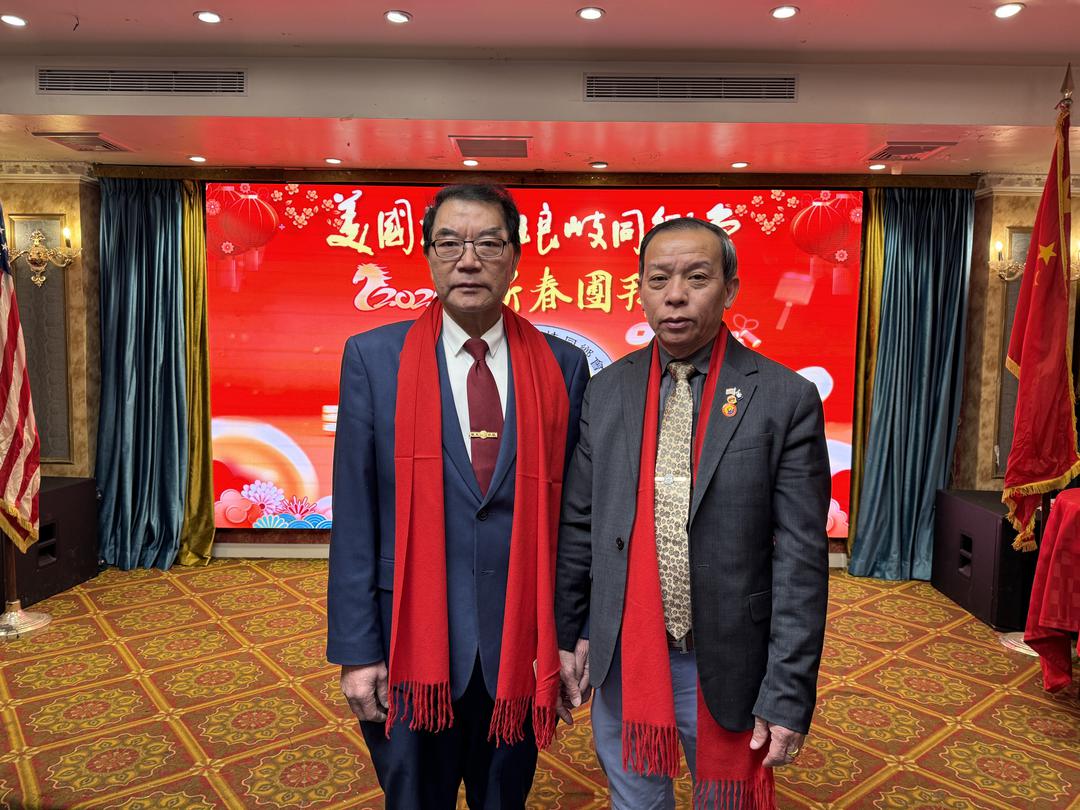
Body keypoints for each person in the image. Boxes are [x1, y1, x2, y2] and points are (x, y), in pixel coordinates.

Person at [327, 183, 590, 809]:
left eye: (488, 244)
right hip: (407, 637)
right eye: (449, 243)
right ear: (428, 255)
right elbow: (356, 515)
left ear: (515, 257)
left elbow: (575, 517)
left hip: (520, 638)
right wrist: (357, 652)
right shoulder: (374, 358)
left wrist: (570, 632)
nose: (468, 260)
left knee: (505, 797)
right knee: (415, 797)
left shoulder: (562, 365)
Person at [555, 217, 830, 809]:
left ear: (730, 289)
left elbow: (801, 561)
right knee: (635, 801)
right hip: (627, 654)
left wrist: (788, 690)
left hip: (727, 659)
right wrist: (567, 634)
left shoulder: (783, 398)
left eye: (697, 278)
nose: (675, 295)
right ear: (640, 290)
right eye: (659, 279)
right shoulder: (607, 391)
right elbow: (580, 525)